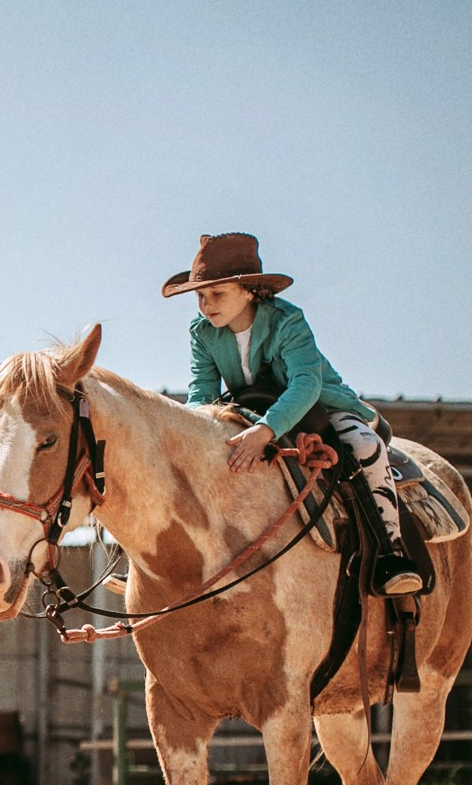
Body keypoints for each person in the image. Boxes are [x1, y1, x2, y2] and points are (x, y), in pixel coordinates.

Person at [165, 231, 422, 597]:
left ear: (250, 290)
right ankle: (177, 563)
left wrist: (266, 431)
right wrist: (192, 434)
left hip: (321, 407)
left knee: (365, 447)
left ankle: (390, 553)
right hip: (247, 411)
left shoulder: (288, 321)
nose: (206, 305)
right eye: (200, 296)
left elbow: (305, 386)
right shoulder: (202, 333)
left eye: (217, 294)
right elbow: (202, 392)